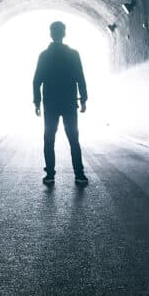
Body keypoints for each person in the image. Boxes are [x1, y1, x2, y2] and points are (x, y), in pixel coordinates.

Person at [33, 21, 88, 185]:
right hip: (69, 102)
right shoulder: (73, 54)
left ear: (51, 34)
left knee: (49, 138)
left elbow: (37, 81)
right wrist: (83, 99)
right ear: (64, 34)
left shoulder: (44, 55)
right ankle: (79, 174)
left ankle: (50, 174)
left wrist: (37, 102)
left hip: (50, 104)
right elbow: (80, 78)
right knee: (73, 138)